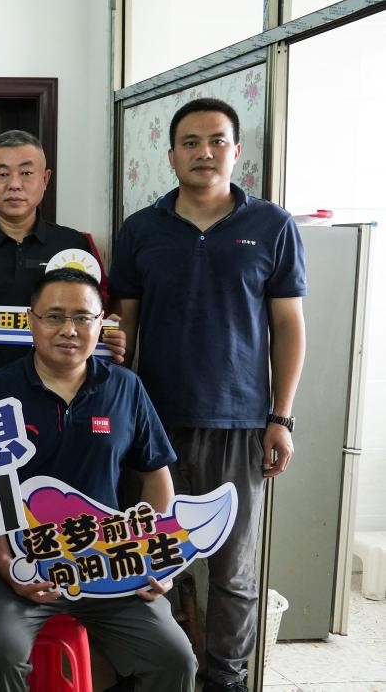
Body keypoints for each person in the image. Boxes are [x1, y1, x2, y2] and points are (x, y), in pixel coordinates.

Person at [109, 97, 306, 692]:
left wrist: (281, 418)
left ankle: (226, 679)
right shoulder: (140, 229)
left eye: (217, 140)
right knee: (151, 561)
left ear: (236, 151)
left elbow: (288, 325)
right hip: (154, 425)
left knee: (234, 571)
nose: (204, 152)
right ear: (170, 155)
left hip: (239, 423)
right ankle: (160, 673)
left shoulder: (272, 226)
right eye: (190, 142)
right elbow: (123, 329)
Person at [0, 268, 197, 692]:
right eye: (54, 316)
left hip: (109, 562)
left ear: (102, 323)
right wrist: (7, 567)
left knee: (175, 657)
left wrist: (156, 556)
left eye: (82, 317)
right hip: (23, 564)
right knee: (3, 652)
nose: (68, 330)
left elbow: (156, 474)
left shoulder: (126, 388)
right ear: (31, 320)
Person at [0, 130, 124, 410]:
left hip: (58, 399)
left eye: (26, 173)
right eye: (2, 174)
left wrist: (108, 334)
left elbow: (92, 317)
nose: (14, 185)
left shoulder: (73, 245)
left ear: (45, 179)